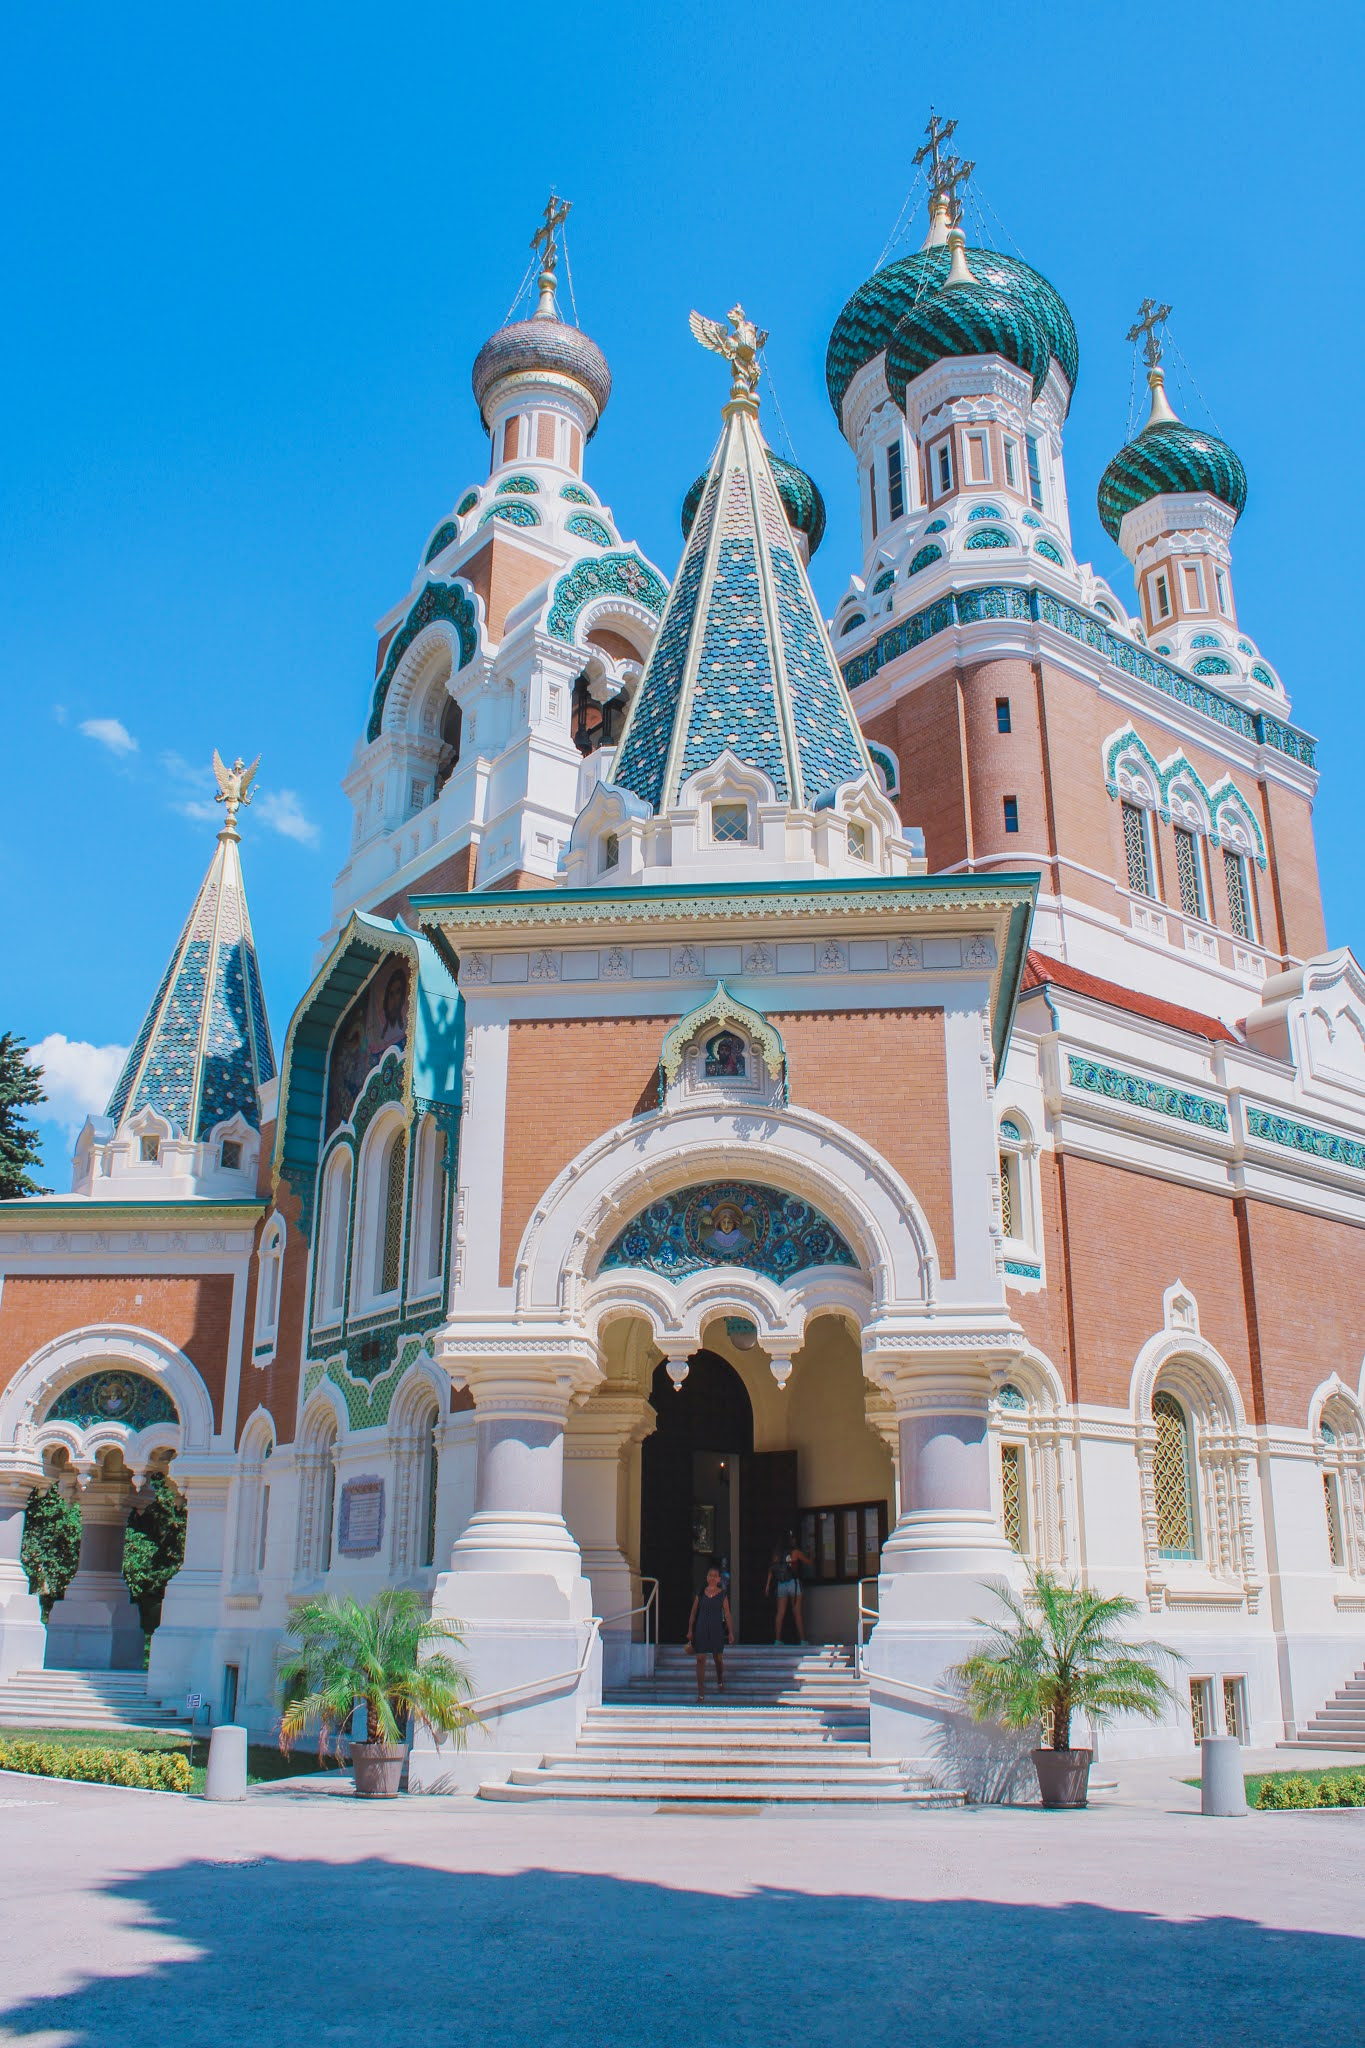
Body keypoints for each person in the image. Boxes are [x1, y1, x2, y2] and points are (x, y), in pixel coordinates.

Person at [685, 1565, 735, 1702]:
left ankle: (720, 1679)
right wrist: (690, 1630)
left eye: (715, 1576)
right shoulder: (700, 1593)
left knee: (717, 1658)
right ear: (707, 1577)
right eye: (710, 1575)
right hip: (701, 1629)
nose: (712, 1578)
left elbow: (728, 1614)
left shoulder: (722, 1595)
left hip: (716, 1629)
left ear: (719, 1578)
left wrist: (730, 1632)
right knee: (700, 1659)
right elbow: (693, 1612)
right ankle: (701, 1693)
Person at [765, 1531, 811, 1645]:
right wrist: (811, 1553)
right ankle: (803, 1640)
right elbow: (809, 1562)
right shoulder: (795, 1552)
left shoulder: (776, 1553)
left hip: (781, 1584)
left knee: (780, 1613)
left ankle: (777, 1640)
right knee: (797, 1613)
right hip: (793, 1583)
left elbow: (771, 1569)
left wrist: (767, 1585)